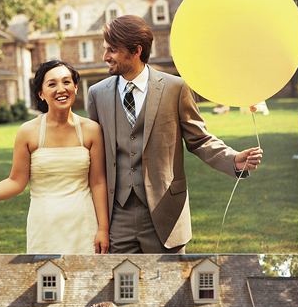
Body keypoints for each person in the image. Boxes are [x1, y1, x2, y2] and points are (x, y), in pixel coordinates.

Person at [86, 15, 263, 254]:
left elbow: (199, 139)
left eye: (112, 50)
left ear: (136, 51)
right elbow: (92, 157)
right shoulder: (97, 94)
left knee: (170, 290)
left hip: (165, 215)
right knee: (123, 288)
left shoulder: (175, 88)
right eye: (106, 49)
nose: (105, 57)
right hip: (117, 218)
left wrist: (232, 158)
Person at [0, 60, 110, 254]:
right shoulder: (28, 132)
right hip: (44, 226)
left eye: (66, 82)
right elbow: (16, 182)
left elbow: (99, 183)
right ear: (41, 94)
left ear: (75, 86)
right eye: (52, 84)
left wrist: (103, 229)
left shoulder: (91, 130)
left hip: (84, 224)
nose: (61, 89)